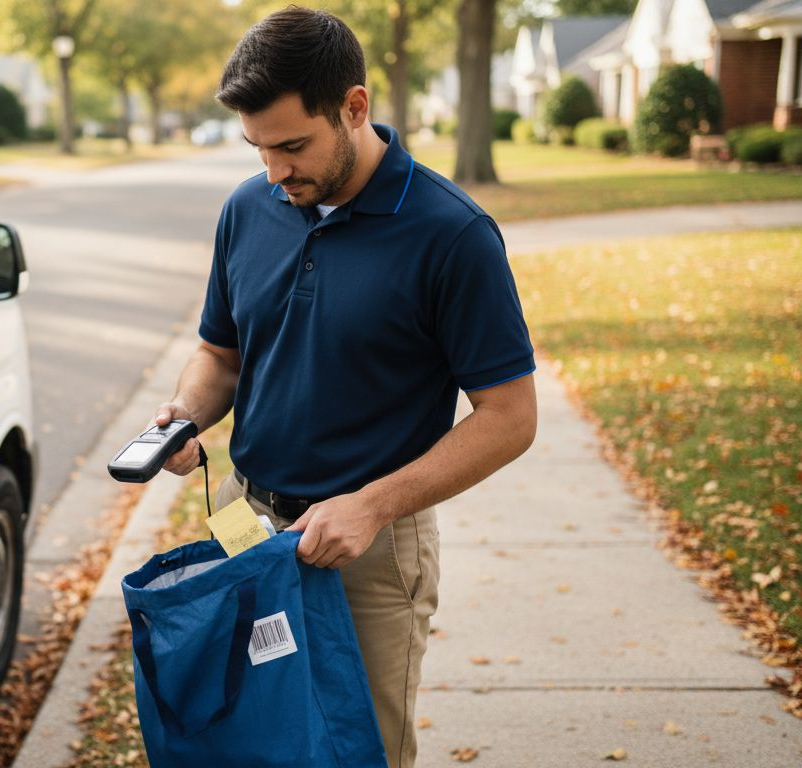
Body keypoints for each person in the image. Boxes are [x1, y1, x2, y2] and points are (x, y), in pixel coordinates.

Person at [153, 7, 538, 767]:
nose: (274, 172)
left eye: (293, 146)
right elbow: (219, 355)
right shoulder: (247, 208)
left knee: (355, 752)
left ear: (354, 107)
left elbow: (510, 417)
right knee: (250, 737)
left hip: (369, 549)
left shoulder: (452, 234)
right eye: (259, 148)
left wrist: (373, 505)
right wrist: (185, 414)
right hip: (244, 521)